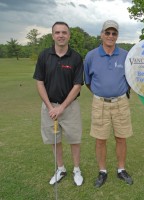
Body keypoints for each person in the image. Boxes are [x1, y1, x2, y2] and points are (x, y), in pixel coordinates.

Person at [33, 21, 84, 186]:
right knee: (55, 140)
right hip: (49, 107)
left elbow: (77, 85)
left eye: (64, 32)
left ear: (69, 35)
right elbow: (39, 82)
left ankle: (77, 169)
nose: (61, 35)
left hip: (70, 107)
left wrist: (62, 107)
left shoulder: (76, 57)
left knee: (74, 139)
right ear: (52, 35)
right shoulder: (44, 56)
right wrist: (50, 107)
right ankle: (61, 168)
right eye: (57, 32)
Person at [84, 20, 133, 188]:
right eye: (107, 33)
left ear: (117, 36)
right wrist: (102, 93)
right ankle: (102, 171)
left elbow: (131, 78)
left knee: (121, 137)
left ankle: (121, 170)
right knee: (100, 139)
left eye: (114, 33)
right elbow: (88, 82)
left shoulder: (126, 55)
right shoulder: (91, 56)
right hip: (100, 104)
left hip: (121, 102)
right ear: (101, 34)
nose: (110, 36)